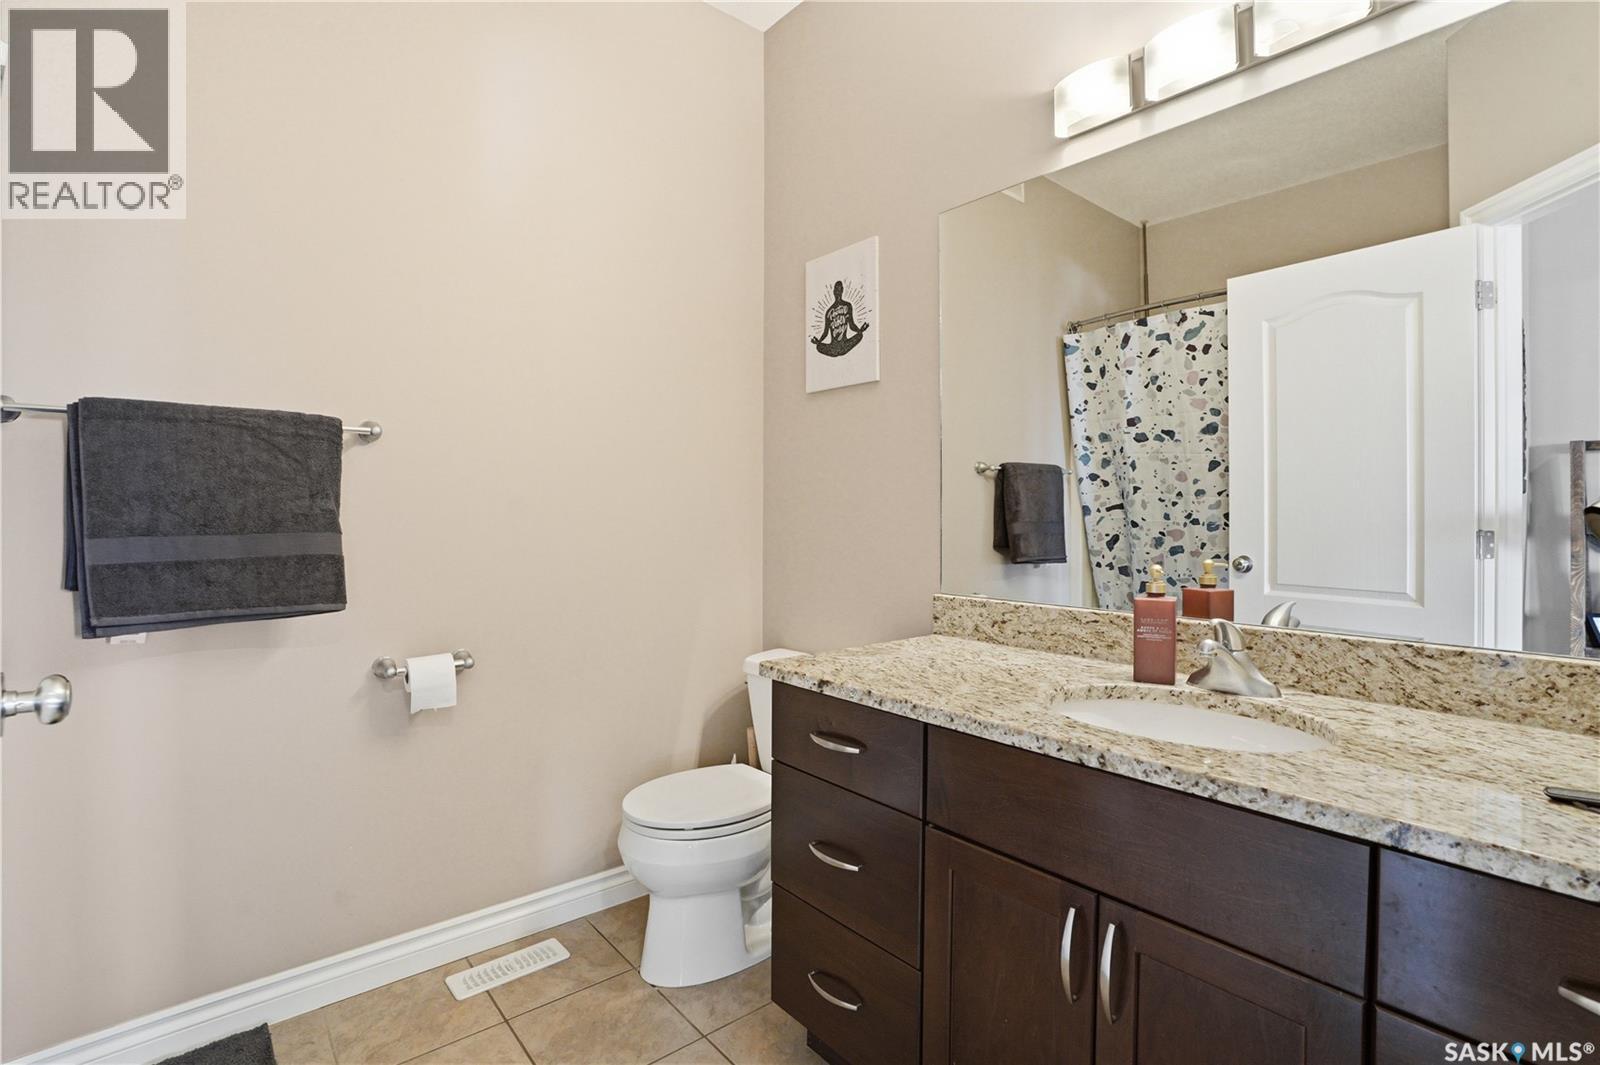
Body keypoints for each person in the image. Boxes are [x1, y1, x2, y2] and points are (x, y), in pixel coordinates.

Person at [810, 280, 870, 357]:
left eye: (839, 289)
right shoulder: (829, 312)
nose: (837, 292)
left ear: (842, 290)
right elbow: (825, 332)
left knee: (860, 335)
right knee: (818, 347)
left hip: (845, 345)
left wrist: (860, 330)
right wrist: (818, 341)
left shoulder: (847, 306)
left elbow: (852, 325)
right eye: (836, 289)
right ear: (833, 292)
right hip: (833, 348)